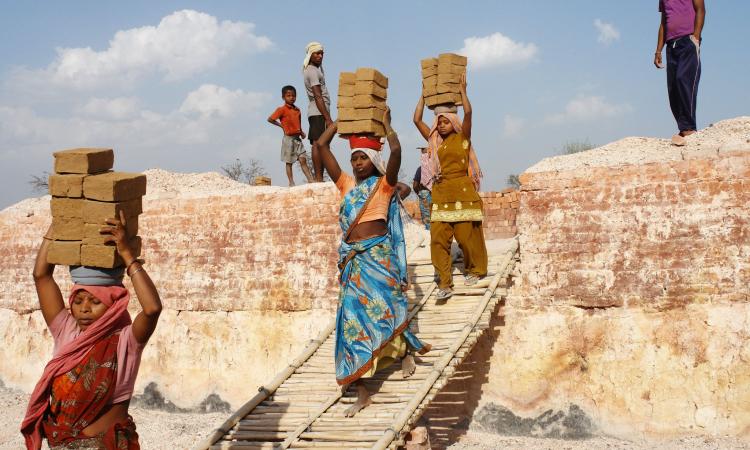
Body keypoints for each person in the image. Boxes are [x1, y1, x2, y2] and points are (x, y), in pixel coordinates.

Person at [316, 110, 430, 417]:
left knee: (390, 309)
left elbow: (396, 152)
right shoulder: (345, 186)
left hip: (380, 259)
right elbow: (322, 148)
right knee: (351, 324)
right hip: (354, 262)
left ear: (372, 160)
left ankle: (405, 352)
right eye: (354, 159)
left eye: (362, 158)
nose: (356, 164)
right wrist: (342, 120)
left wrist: (387, 125)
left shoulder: (384, 186)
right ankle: (362, 391)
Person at [21, 211, 162, 450]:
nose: (84, 309)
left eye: (95, 302)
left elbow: (152, 309)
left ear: (113, 305)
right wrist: (59, 224)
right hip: (62, 444)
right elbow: (41, 275)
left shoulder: (126, 341)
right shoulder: (67, 331)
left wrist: (127, 255)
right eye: (78, 301)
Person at [413, 74, 487, 301]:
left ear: (453, 122)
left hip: (463, 191)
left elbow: (469, 113)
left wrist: (463, 92)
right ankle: (445, 281)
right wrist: (423, 96)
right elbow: (416, 120)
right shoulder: (434, 140)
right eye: (439, 122)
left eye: (445, 122)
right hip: (441, 192)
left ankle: (475, 269)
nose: (441, 126)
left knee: (466, 237)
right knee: (437, 239)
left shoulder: (463, 137)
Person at [654, 0, 705, 146]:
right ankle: (683, 129)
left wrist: (695, 37)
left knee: (684, 80)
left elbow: (701, 9)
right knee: (673, 88)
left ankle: (689, 128)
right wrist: (658, 50)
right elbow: (664, 22)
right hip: (671, 45)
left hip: (687, 41)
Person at [267, 85, 315, 186]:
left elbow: (298, 123)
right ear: (283, 97)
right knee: (289, 162)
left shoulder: (297, 110)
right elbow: (270, 119)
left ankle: (310, 179)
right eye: (288, 95)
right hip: (288, 139)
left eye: (293, 95)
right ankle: (291, 182)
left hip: (297, 139)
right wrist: (281, 126)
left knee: (303, 159)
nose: (291, 97)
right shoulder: (282, 109)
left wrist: (301, 132)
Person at [303, 41, 333, 181]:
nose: (320, 56)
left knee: (323, 143)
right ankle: (319, 178)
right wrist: (327, 118)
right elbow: (317, 95)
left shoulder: (317, 69)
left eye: (322, 53)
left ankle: (320, 177)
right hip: (318, 113)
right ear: (310, 55)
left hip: (321, 112)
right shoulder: (312, 71)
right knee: (318, 143)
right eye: (317, 53)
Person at [412, 147, 432, 230]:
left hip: (424, 194)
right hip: (437, 194)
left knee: (426, 217)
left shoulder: (420, 169)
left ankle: (430, 235)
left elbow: (415, 185)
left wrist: (420, 193)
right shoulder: (437, 168)